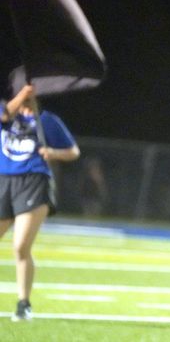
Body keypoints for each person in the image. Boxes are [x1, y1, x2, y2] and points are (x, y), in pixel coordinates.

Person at [0, 84, 80, 321]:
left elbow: (73, 151)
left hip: (34, 181)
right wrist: (20, 97)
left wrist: (53, 153)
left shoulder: (46, 120)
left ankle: (24, 304)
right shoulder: (6, 113)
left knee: (20, 246)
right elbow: (4, 115)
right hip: (4, 181)